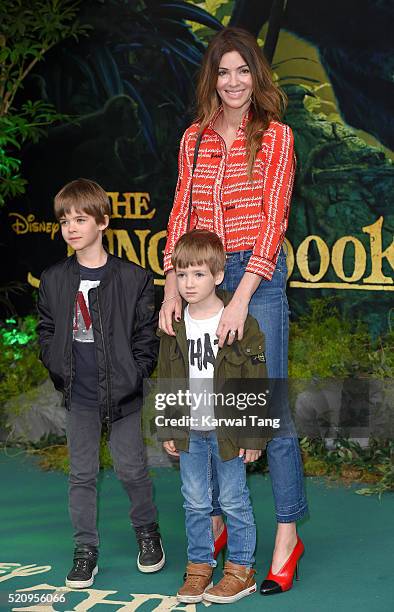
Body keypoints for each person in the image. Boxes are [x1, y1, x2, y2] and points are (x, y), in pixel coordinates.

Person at [159, 27, 307, 595]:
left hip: (257, 279)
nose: (234, 81)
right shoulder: (193, 139)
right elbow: (181, 211)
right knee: (204, 400)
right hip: (197, 274)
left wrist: (240, 297)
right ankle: (216, 523)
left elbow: (273, 222)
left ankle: (287, 535)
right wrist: (173, 284)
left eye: (243, 70)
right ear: (211, 79)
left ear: (257, 74)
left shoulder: (276, 137)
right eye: (223, 72)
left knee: (267, 413)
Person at [37, 178, 165, 589]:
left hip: (124, 394)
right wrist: (57, 366)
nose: (71, 227)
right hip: (80, 394)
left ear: (103, 222)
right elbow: (47, 330)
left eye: (80, 218)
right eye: (64, 221)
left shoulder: (134, 278)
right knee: (82, 475)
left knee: (131, 470)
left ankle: (148, 533)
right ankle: (85, 549)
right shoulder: (54, 278)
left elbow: (147, 337)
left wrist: (136, 374)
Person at [157, 229, 268, 604]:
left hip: (229, 433)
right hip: (190, 430)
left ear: (218, 276)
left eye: (199, 274)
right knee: (194, 501)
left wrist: (253, 435)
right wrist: (169, 424)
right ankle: (199, 567)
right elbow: (166, 375)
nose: (189, 283)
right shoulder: (175, 322)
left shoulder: (239, 321)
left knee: (235, 500)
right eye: (182, 274)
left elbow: (255, 379)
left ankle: (240, 569)